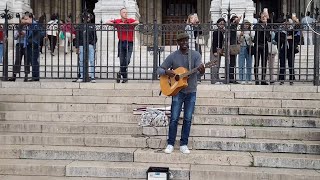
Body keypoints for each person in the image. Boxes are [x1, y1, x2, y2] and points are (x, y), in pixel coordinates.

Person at [157, 32, 205, 154]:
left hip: (191, 91)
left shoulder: (195, 55)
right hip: (177, 91)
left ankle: (184, 143)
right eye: (181, 41)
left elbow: (199, 73)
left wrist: (202, 70)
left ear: (188, 41)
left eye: (186, 40)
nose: (184, 43)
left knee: (188, 119)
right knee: (174, 118)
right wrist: (168, 72)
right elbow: (159, 69)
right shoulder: (173, 56)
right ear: (178, 43)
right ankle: (170, 143)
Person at [105, 7, 139, 83]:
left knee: (127, 60)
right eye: (124, 12)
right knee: (122, 61)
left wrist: (129, 24)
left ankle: (120, 73)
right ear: (120, 14)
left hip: (130, 43)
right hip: (121, 43)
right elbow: (107, 22)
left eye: (126, 12)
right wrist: (118, 24)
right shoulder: (118, 21)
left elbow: (137, 22)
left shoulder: (130, 20)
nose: (126, 14)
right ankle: (125, 78)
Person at [275, 18, 299, 85]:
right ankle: (281, 79)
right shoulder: (280, 30)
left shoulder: (292, 30)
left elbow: (297, 38)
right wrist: (287, 38)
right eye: (286, 23)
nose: (287, 24)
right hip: (282, 49)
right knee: (282, 64)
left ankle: (291, 79)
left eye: (288, 23)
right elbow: (277, 38)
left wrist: (297, 22)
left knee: (291, 65)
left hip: (291, 49)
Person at [75, 13, 97, 83]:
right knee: (81, 61)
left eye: (88, 17)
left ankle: (92, 77)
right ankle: (82, 76)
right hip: (81, 45)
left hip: (90, 45)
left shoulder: (92, 26)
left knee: (92, 61)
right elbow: (77, 37)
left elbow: (95, 37)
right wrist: (77, 47)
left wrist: (93, 44)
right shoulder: (79, 26)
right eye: (85, 17)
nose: (86, 18)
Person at [21, 12, 41, 81]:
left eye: (26, 19)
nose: (25, 21)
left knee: (34, 61)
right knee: (33, 61)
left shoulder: (34, 24)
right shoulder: (29, 25)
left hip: (34, 45)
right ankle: (34, 76)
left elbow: (35, 34)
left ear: (30, 18)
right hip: (30, 45)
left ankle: (35, 77)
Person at [253, 14, 271, 85]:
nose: (264, 18)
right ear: (260, 18)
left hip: (265, 45)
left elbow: (269, 37)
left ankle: (263, 79)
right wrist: (261, 24)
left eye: (265, 17)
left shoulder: (267, 26)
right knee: (256, 63)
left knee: (264, 63)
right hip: (257, 45)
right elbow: (255, 29)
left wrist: (265, 26)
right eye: (262, 17)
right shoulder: (257, 25)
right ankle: (256, 79)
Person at [238, 19, 254, 84]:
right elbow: (238, 41)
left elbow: (253, 40)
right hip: (241, 47)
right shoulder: (239, 31)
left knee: (249, 64)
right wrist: (240, 35)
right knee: (241, 64)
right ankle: (242, 79)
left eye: (247, 24)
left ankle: (249, 79)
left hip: (249, 48)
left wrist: (250, 35)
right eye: (245, 24)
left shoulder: (251, 31)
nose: (246, 25)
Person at [211, 18, 226, 84]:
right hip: (215, 49)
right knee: (214, 64)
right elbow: (214, 42)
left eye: (223, 23)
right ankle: (214, 80)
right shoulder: (216, 32)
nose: (222, 24)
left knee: (218, 64)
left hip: (220, 49)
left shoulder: (223, 32)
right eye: (220, 23)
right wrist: (214, 51)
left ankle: (217, 78)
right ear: (217, 24)